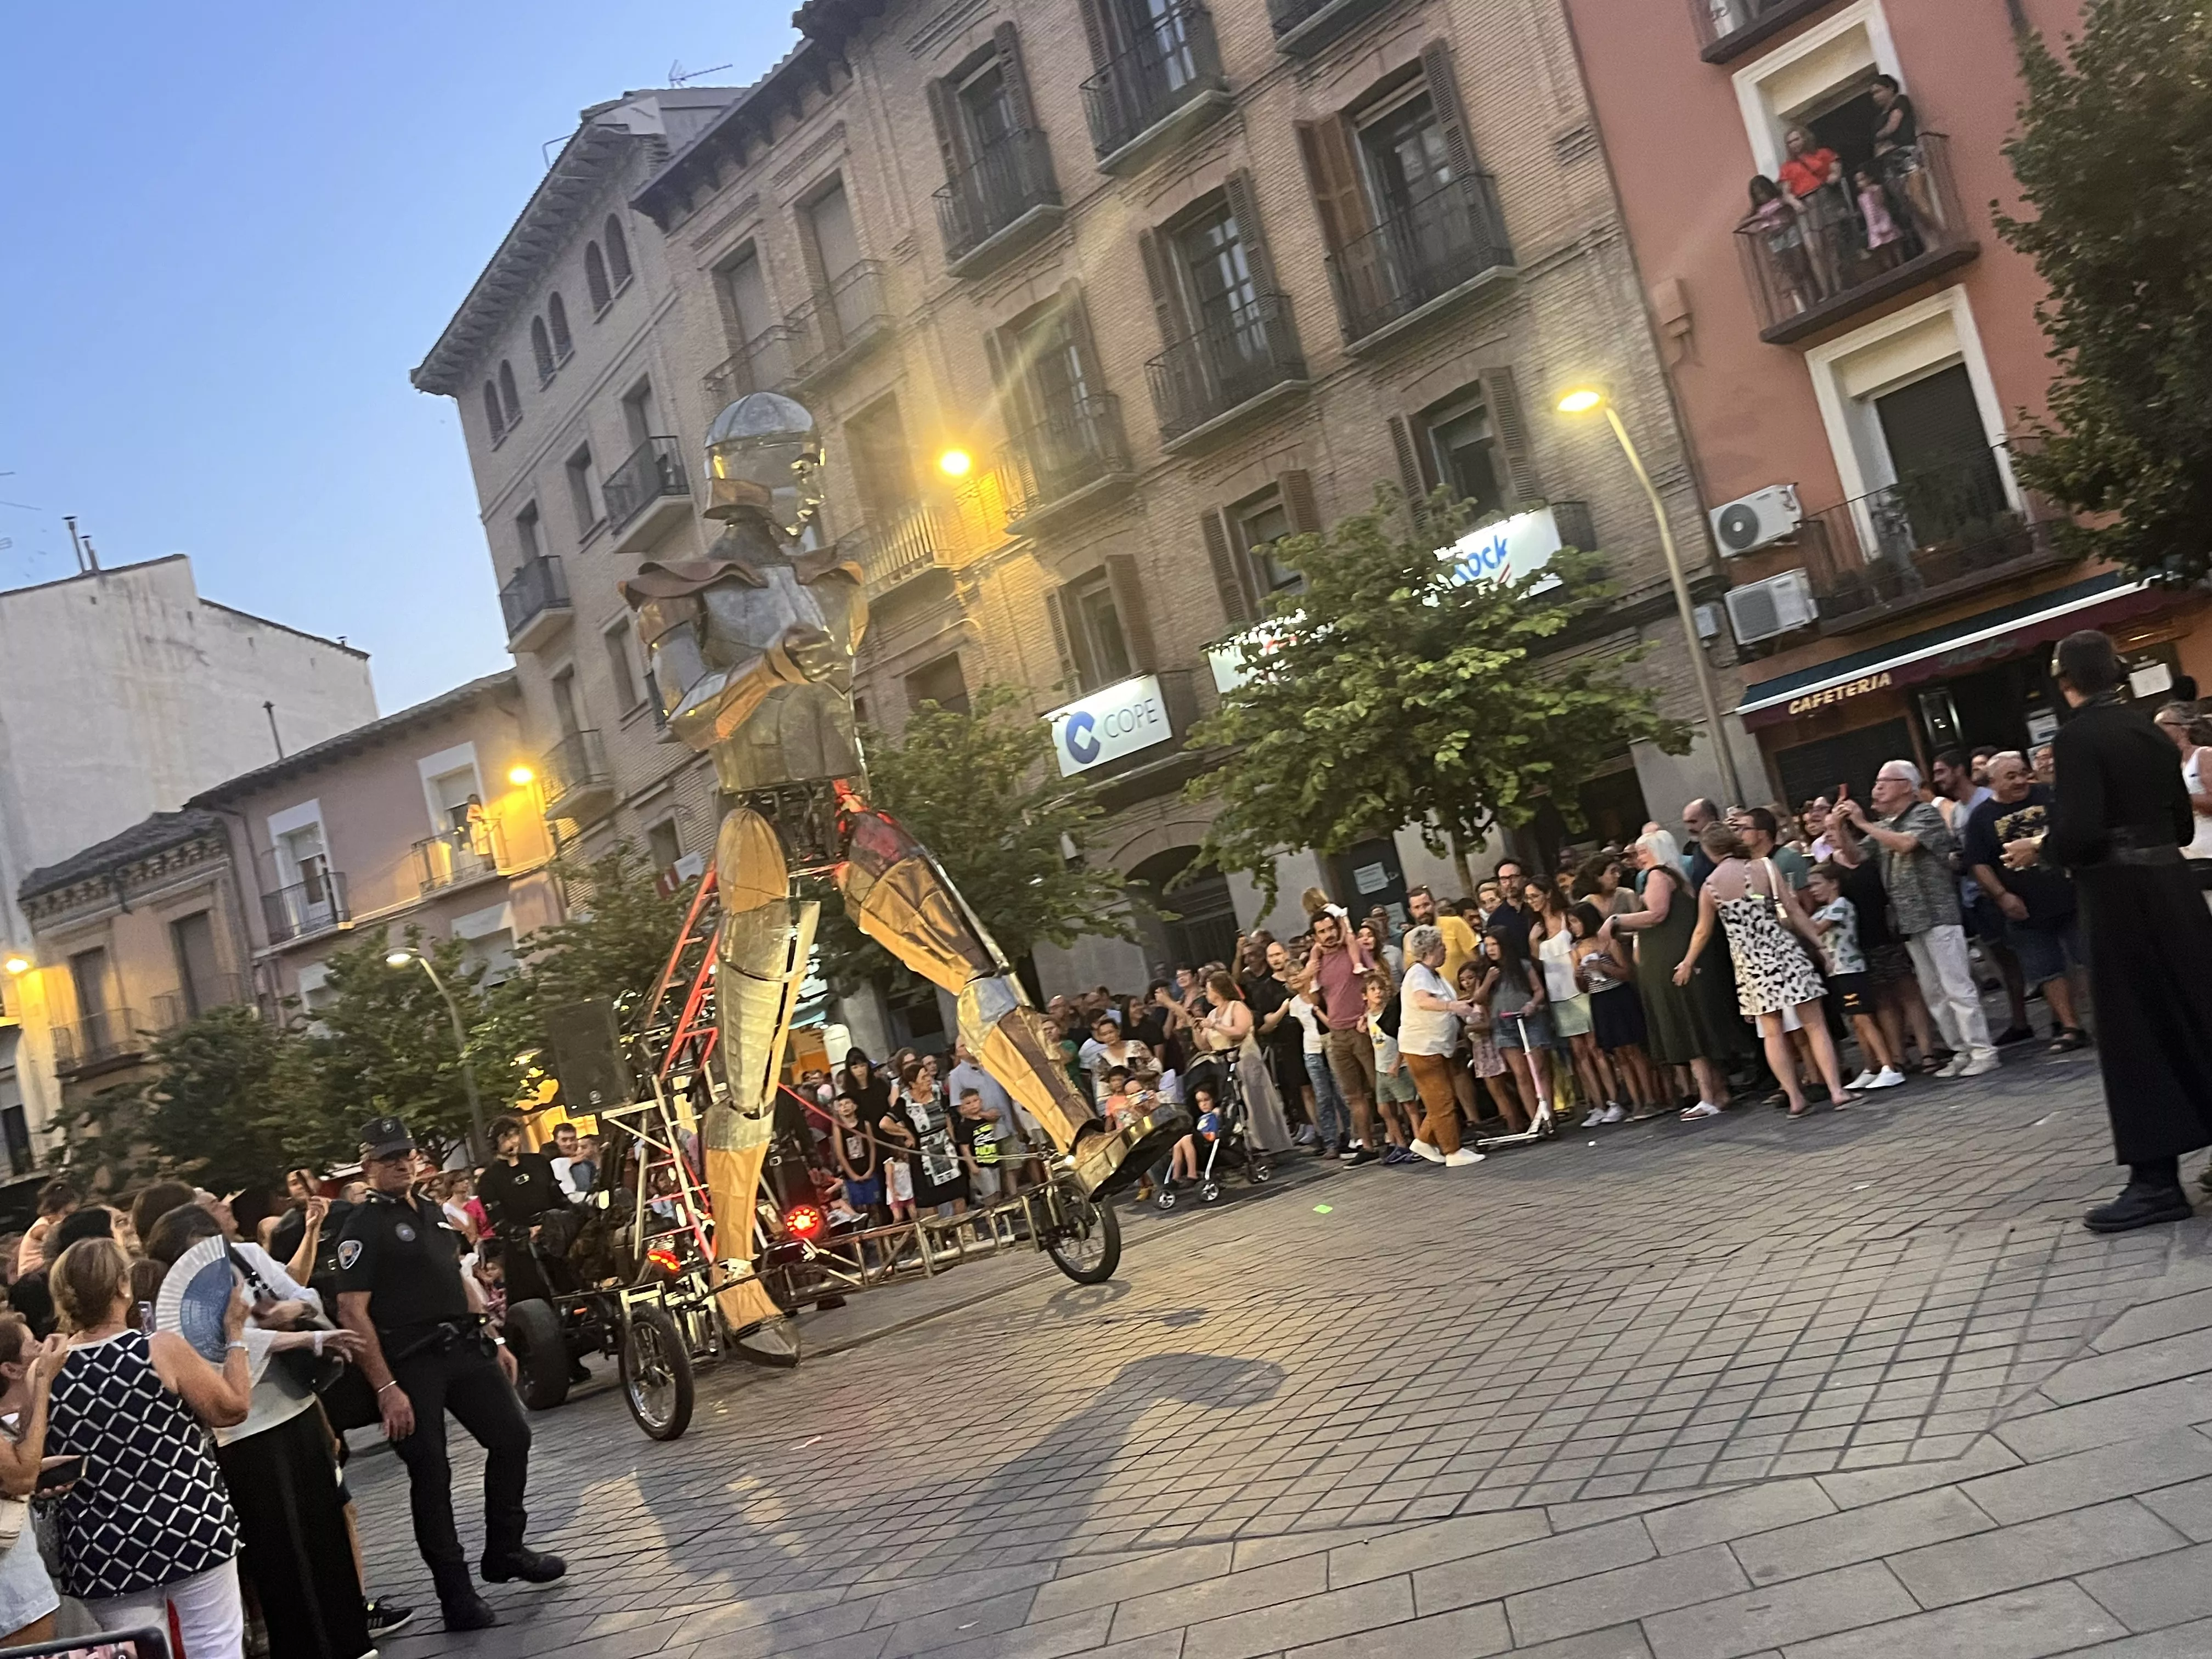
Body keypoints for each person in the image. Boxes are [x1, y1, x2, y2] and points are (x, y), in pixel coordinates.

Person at [2011, 632, 2212, 1232]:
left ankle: (2155, 1182)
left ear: (2063, 679)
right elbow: (2179, 824)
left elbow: (2079, 833)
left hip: (2119, 897)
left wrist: (2041, 848)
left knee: (2133, 1033)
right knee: (2199, 1014)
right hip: (2173, 888)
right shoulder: (2149, 730)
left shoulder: (2075, 738)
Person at [336, 1116, 563, 1630]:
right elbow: (352, 1309)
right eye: (388, 1157)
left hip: (462, 1347)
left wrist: (493, 1335)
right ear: (368, 1165)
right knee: (431, 1473)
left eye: (407, 1154)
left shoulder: (435, 1212)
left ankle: (505, 1549)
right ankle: (455, 1594)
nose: (401, 1163)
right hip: (410, 1361)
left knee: (512, 1438)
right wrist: (386, 1388)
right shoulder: (363, 1225)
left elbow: (457, 1277)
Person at [142, 1204, 374, 1659]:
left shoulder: (246, 1256)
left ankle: (351, 1639)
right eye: (193, 1253)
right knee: (277, 1549)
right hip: (243, 1434)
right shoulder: (172, 1299)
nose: (208, 1261)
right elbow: (213, 1353)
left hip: (298, 1405)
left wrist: (292, 1310)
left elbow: (305, 1296)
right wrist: (297, 1337)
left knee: (325, 1527)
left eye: (211, 1247)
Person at [46, 1235, 253, 1656]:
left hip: (102, 1545)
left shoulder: (47, 1369)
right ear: (123, 1286)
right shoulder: (158, 1348)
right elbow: (231, 1409)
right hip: (189, 1522)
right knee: (216, 1644)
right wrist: (235, 1335)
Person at [1676, 823, 1853, 1118]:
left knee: (1772, 1034)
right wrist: (1819, 945)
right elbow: (1794, 912)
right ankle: (1837, 1090)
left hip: (1751, 964)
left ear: (1708, 851)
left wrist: (1687, 961)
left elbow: (1702, 932)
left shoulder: (1709, 887)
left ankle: (1795, 1097)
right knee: (1815, 1024)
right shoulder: (1764, 868)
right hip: (1784, 951)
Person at [1834, 761, 1999, 1077]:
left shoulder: (1924, 814)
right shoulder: (1886, 823)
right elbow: (1854, 859)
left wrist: (1863, 823)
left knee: (1957, 986)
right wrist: (1842, 828)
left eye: (1885, 781)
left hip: (1937, 913)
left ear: (1907, 786)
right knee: (1934, 992)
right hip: (1909, 921)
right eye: (1876, 781)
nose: (1876, 788)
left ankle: (1983, 1050)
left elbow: (1908, 844)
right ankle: (1960, 1050)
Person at [1604, 830, 1743, 1118]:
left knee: (1687, 1027)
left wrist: (1616, 920)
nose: (1638, 858)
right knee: (1694, 1025)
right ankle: (1719, 1091)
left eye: (1642, 852)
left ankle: (1708, 1097)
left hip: (1672, 961)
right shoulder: (1677, 878)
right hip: (1676, 956)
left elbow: (1656, 914)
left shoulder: (1658, 875)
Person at [1964, 751, 2090, 1051]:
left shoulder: (2048, 796)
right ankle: (2071, 1027)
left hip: (2070, 894)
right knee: (2046, 970)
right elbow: (1980, 863)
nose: (2021, 781)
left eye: (2023, 773)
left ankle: (2106, 1018)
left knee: (2089, 958)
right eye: (2011, 777)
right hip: (2025, 907)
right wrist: (2002, 895)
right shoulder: (1981, 818)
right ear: (1993, 782)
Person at [1935, 748, 2032, 1047]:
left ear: (1958, 771)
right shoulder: (1960, 810)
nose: (1937, 779)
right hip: (1976, 894)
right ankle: (2020, 1020)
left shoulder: (1983, 802)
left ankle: (2048, 1017)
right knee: (2002, 960)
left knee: (2021, 955)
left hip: (1998, 887)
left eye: (1941, 772)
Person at [1805, 862, 1905, 1090]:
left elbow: (1816, 929)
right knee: (1856, 1021)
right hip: (1837, 973)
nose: (1812, 890)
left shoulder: (1841, 905)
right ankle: (1871, 1067)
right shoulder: (1822, 910)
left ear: (1834, 883)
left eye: (1817, 884)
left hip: (1851, 970)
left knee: (1864, 1018)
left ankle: (1889, 1066)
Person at [0, 1318, 65, 1646]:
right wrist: (43, 1382)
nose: (42, 1348)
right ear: (10, 1369)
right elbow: (22, 1476)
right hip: (11, 1596)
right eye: (33, 1344)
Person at [1398, 926, 1483, 1167]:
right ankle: (1452, 1151)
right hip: (1423, 1048)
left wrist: (1467, 1007)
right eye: (1442, 946)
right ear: (1430, 950)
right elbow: (1423, 1000)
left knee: (1441, 1099)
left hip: (1436, 1046)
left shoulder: (1434, 974)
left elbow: (1450, 1001)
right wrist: (1453, 1008)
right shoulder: (1418, 974)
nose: (1446, 950)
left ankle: (1424, 1140)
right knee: (1442, 1099)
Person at [1306, 908, 1381, 1165]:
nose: (1328, 935)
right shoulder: (1317, 961)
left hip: (1363, 1028)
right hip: (1337, 1033)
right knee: (1352, 1094)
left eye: (1330, 929)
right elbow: (1315, 999)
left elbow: (1377, 982)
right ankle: (1368, 1146)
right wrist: (1308, 976)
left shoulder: (1355, 949)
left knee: (1380, 1087)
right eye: (1322, 932)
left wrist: (1369, 1015)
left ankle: (1399, 1139)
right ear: (1315, 936)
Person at [1572, 902, 1657, 1116]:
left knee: (1634, 1050)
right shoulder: (1577, 950)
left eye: (1575, 922)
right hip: (1599, 1000)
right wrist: (1578, 977)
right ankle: (1636, 1100)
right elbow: (1583, 988)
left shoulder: (1608, 943)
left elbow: (1628, 972)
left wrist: (1603, 967)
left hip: (1618, 996)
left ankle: (1649, 1099)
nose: (1573, 927)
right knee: (1619, 1054)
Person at [2155, 701, 2212, 902]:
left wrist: (2179, 799)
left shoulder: (2204, 755)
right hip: (2190, 852)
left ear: (2182, 729)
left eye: (2162, 725)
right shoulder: (2170, 766)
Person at [14, 1181, 76, 1282]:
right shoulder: (42, 1228)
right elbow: (61, 1245)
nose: (68, 1218)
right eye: (66, 1213)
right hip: (33, 1279)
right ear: (52, 1211)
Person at [549, 1121, 595, 1199]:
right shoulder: (548, 1166)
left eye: (573, 1139)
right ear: (555, 1142)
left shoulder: (588, 1164)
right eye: (564, 1140)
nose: (569, 1144)